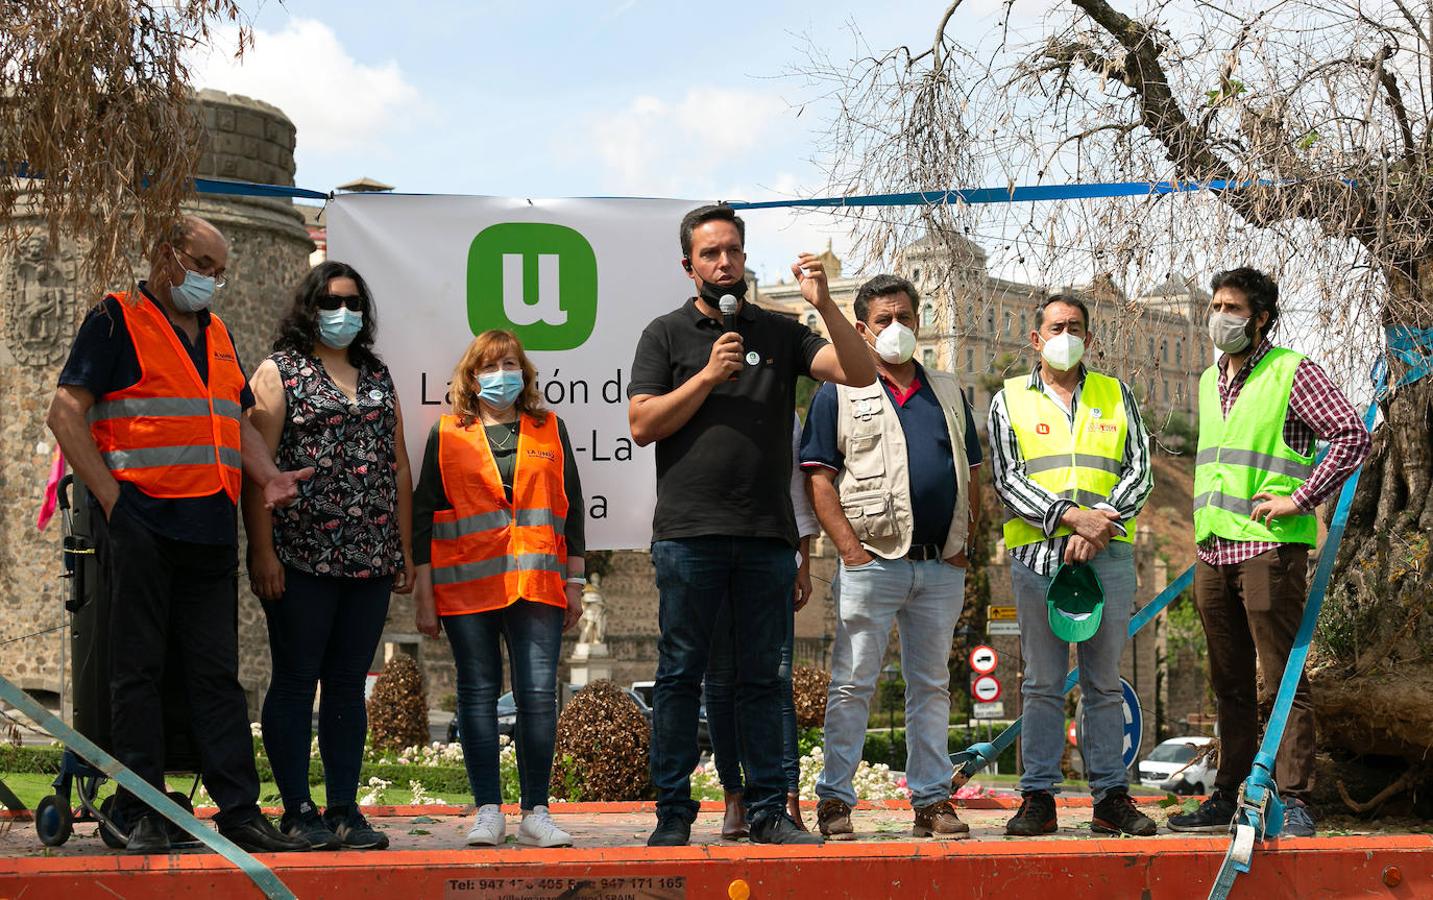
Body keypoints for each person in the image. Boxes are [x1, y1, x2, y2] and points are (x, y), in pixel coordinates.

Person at [45, 216, 311, 854]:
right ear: (166, 256)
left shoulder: (217, 333)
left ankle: (239, 810)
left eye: (220, 272)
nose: (211, 281)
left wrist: (267, 475)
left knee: (216, 674)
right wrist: (115, 505)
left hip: (210, 527)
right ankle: (141, 807)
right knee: (136, 669)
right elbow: (64, 412)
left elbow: (232, 418)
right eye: (202, 265)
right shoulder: (115, 320)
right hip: (142, 524)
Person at [628, 203, 876, 847]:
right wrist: (709, 375)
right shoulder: (665, 334)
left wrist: (823, 306)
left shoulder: (779, 330)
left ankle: (769, 812)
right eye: (711, 253)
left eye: (733, 250)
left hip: (766, 537)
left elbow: (860, 372)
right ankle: (674, 814)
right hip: (688, 535)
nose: (724, 262)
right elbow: (642, 424)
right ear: (690, 267)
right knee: (682, 675)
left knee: (766, 680)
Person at [1168, 268, 1369, 838]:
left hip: (1269, 548)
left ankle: (1295, 798)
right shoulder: (1210, 380)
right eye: (1214, 305)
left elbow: (1353, 435)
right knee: (1227, 681)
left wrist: (1301, 498)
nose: (1218, 316)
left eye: (1231, 306)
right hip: (1213, 549)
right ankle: (1227, 796)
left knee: (1280, 678)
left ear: (1260, 317)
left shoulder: (1291, 370)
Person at [801, 274, 982, 840]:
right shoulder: (840, 390)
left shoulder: (949, 389)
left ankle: (931, 801)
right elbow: (819, 480)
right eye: (884, 319)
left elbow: (972, 473)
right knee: (853, 684)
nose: (897, 328)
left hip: (938, 566)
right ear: (861, 328)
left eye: (905, 316)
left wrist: (963, 545)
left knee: (930, 687)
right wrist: (850, 552)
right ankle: (834, 801)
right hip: (871, 563)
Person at [243, 262, 415, 850]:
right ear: (309, 306)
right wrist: (261, 552)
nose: (342, 312)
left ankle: (345, 808)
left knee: (346, 685)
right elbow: (256, 470)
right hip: (300, 554)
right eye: (330, 301)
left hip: (369, 555)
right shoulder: (278, 371)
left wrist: (403, 548)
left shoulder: (375, 372)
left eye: (352, 302)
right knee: (295, 679)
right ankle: (297, 812)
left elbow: (397, 465)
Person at [987, 293, 1157, 838]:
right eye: (1057, 326)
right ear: (1035, 339)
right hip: (1039, 560)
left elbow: (1140, 470)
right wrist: (1069, 519)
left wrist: (1098, 521)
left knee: (1104, 683)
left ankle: (1110, 797)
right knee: (1041, 682)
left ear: (1089, 337)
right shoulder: (1008, 399)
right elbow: (1008, 478)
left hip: (1106, 554)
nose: (1067, 335)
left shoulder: (1116, 394)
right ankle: (1038, 797)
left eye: (1076, 326)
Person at [412, 330, 586, 849]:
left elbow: (570, 507)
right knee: (477, 697)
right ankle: (488, 809)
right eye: (489, 365)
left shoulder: (549, 428)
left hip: (536, 583)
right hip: (467, 587)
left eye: (510, 363)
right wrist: (424, 591)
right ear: (471, 376)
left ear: (525, 373)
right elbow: (424, 516)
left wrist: (574, 581)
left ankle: (537, 811)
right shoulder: (446, 434)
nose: (501, 373)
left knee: (537, 697)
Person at [704, 413, 818, 839]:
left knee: (776, 682)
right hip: (710, 551)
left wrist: (803, 562)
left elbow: (796, 486)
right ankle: (734, 797)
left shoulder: (781, 404)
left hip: (772, 554)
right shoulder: (696, 385)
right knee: (718, 682)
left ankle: (784, 799)